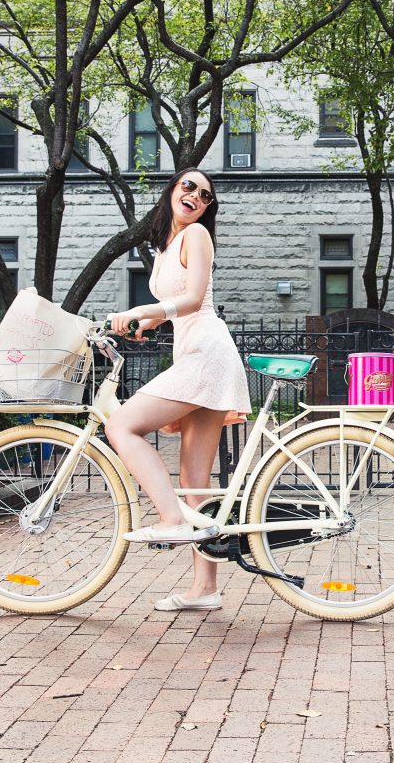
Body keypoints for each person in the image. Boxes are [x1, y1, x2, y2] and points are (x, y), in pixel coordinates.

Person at [106, 168, 251, 613]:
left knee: (121, 425)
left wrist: (142, 308)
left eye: (205, 195)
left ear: (207, 209)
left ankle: (170, 519)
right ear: (173, 189)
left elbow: (193, 300)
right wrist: (144, 323)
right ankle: (206, 589)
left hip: (206, 353)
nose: (195, 196)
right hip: (195, 349)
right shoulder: (167, 245)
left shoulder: (197, 238)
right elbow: (175, 310)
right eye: (188, 186)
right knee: (194, 483)